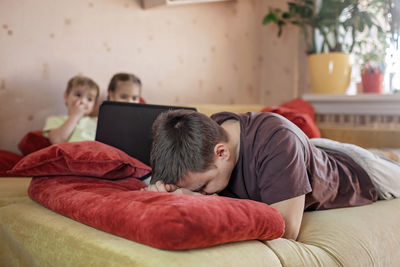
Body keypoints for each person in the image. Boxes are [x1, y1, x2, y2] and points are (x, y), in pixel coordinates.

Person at [144, 110, 400, 240]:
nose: (199, 193)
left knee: (390, 164)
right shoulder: (209, 134)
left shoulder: (277, 142)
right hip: (311, 150)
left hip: (360, 170)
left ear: (221, 153)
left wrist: (205, 202)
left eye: (204, 186)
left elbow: (287, 229)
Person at [43, 75, 100, 144]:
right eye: (78, 95)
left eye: (89, 99)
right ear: (66, 96)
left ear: (95, 105)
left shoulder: (97, 122)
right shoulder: (54, 120)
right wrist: (75, 115)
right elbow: (57, 140)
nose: (83, 101)